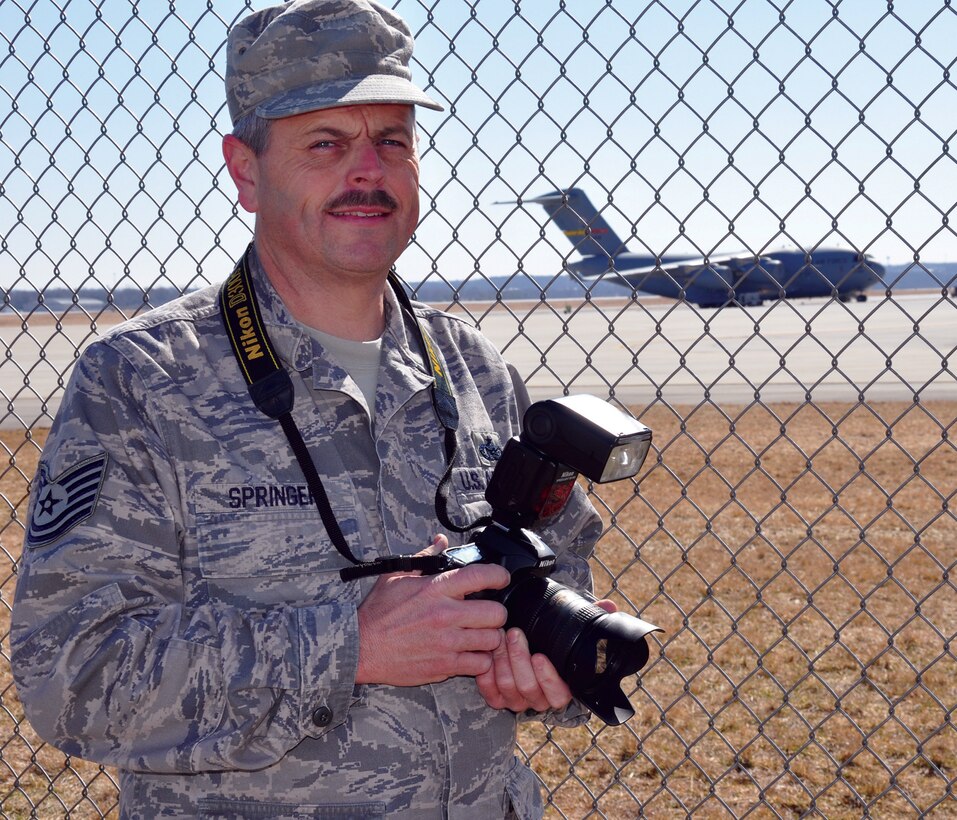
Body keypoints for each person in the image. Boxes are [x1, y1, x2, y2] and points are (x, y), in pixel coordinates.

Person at [12, 1, 607, 817]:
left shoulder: (472, 371)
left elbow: (561, 562)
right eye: (325, 144)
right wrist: (349, 647)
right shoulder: (141, 382)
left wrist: (545, 662)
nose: (367, 171)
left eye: (391, 142)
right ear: (246, 171)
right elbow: (72, 680)